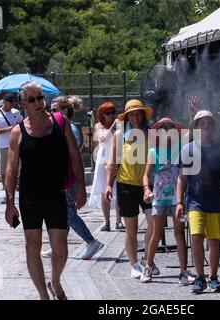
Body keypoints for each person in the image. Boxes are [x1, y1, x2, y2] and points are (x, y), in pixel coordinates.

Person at [5, 81, 86, 300]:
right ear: (23, 104)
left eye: (40, 97)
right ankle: (43, 295)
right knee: (33, 246)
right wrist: (10, 202)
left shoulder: (60, 122)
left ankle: (55, 280)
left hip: (56, 194)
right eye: (32, 100)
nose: (38, 103)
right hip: (30, 197)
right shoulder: (17, 132)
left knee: (60, 248)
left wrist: (81, 189)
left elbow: (74, 156)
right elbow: (11, 170)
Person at [176, 110, 220, 294]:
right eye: (201, 123)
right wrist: (179, 202)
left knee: (214, 240)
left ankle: (213, 277)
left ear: (213, 128)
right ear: (195, 127)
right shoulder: (187, 150)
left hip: (217, 201)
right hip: (195, 201)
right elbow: (182, 178)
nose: (205, 127)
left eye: (209, 124)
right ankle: (199, 277)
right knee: (196, 236)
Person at [40, 96, 103, 260]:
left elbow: (69, 155)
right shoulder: (64, 126)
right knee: (65, 214)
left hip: (67, 176)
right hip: (65, 175)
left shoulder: (69, 128)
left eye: (54, 110)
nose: (50, 113)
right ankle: (57, 246)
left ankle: (91, 241)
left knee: (67, 214)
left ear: (65, 111)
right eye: (50, 110)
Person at [140, 117, 195, 285]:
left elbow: (193, 135)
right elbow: (146, 175)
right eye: (163, 128)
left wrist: (191, 115)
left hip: (177, 198)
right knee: (156, 234)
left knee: (179, 233)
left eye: (170, 127)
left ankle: (183, 272)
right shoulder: (153, 152)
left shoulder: (181, 148)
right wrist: (146, 189)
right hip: (159, 199)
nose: (166, 130)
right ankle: (148, 268)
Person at [105, 99, 155, 278]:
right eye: (131, 114)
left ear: (143, 115)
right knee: (131, 229)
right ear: (126, 117)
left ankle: (147, 259)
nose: (135, 117)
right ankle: (134, 264)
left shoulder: (151, 133)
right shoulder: (119, 135)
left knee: (154, 225)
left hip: (148, 185)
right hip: (126, 184)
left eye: (138, 113)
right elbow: (112, 162)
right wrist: (108, 185)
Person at [88, 101, 125, 231]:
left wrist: (118, 127)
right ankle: (107, 222)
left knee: (118, 190)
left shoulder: (120, 126)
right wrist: (112, 128)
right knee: (105, 191)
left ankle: (119, 220)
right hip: (103, 160)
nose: (111, 115)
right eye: (108, 113)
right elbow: (102, 138)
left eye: (113, 112)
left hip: (117, 159)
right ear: (102, 115)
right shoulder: (99, 126)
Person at [0, 93, 23, 204]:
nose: (12, 105)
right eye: (10, 103)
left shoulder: (16, 112)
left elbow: (22, 124)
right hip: (3, 146)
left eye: (13, 102)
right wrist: (9, 129)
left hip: (16, 145)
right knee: (4, 171)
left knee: (19, 169)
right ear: (4, 102)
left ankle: (20, 190)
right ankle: (6, 194)